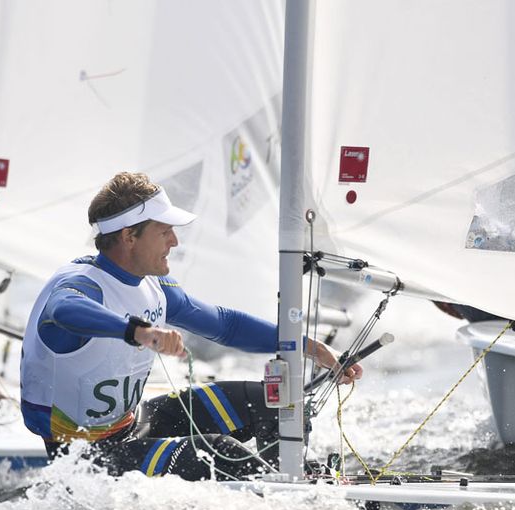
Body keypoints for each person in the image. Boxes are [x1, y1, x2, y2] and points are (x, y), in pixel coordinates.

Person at [21, 171, 361, 480]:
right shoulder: (80, 285)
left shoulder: (152, 286)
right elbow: (63, 310)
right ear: (128, 237)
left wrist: (312, 348)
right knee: (219, 453)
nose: (175, 241)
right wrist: (139, 331)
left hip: (135, 426)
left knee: (273, 402)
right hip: (85, 458)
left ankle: (290, 480)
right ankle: (277, 488)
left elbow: (226, 326)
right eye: (164, 231)